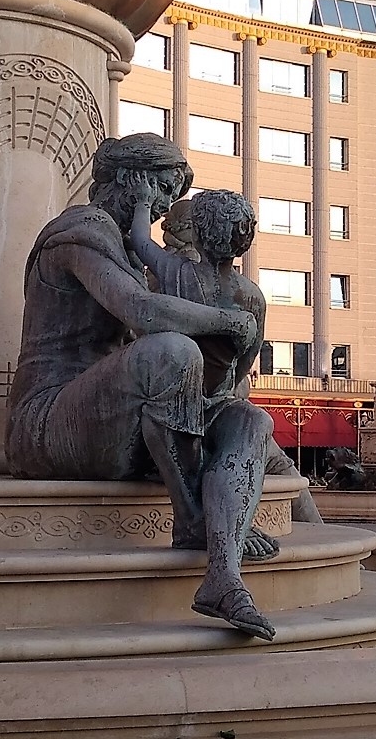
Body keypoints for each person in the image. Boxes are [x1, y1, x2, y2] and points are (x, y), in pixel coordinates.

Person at [6, 134, 278, 639]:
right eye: (162, 190)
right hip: (48, 422)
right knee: (173, 351)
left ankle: (222, 571)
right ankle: (194, 517)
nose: (165, 209)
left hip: (113, 420)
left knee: (250, 420)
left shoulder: (129, 246)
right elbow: (140, 311)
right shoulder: (80, 231)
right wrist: (227, 321)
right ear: (131, 180)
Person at [128, 188, 321, 530]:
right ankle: (241, 523)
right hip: (219, 402)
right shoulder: (252, 297)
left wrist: (143, 201)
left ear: (197, 233)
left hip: (175, 403)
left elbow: (140, 239)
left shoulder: (177, 273)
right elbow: (246, 361)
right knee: (247, 450)